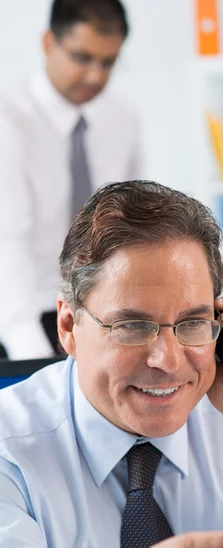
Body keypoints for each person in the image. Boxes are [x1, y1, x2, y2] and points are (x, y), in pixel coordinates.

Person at [0, 180, 223, 548]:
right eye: (132, 326)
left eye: (193, 323)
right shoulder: (10, 453)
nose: (167, 360)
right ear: (69, 327)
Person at [0, 0, 142, 360]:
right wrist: (34, 357)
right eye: (82, 57)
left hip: (97, 312)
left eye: (108, 62)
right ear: (49, 43)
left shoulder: (122, 118)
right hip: (22, 316)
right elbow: (8, 243)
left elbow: (131, 225)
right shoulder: (9, 120)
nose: (95, 76)